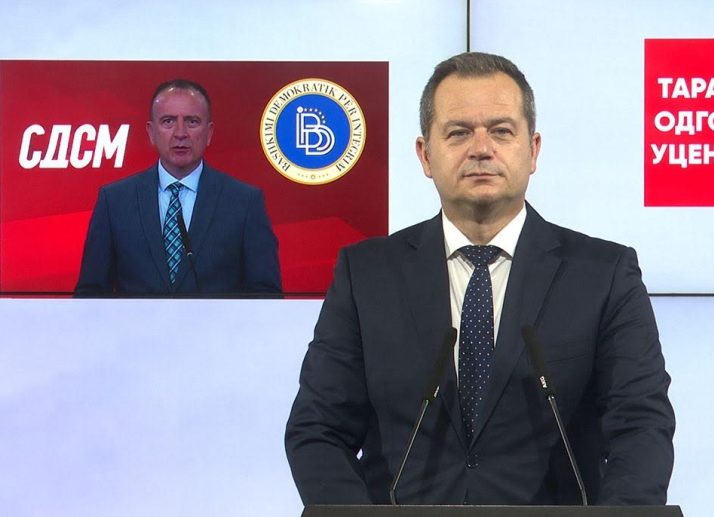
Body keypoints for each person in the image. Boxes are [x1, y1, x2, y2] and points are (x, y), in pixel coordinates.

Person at [285, 52, 674, 505]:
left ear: (533, 150)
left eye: (502, 131)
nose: (481, 148)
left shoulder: (603, 274)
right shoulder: (366, 275)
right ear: (425, 155)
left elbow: (641, 426)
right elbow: (318, 429)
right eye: (459, 132)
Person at [75, 79, 281, 296]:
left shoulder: (244, 202)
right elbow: (90, 293)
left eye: (192, 122)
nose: (180, 133)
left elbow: (266, 294)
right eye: (168, 121)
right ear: (151, 132)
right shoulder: (115, 201)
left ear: (209, 133)